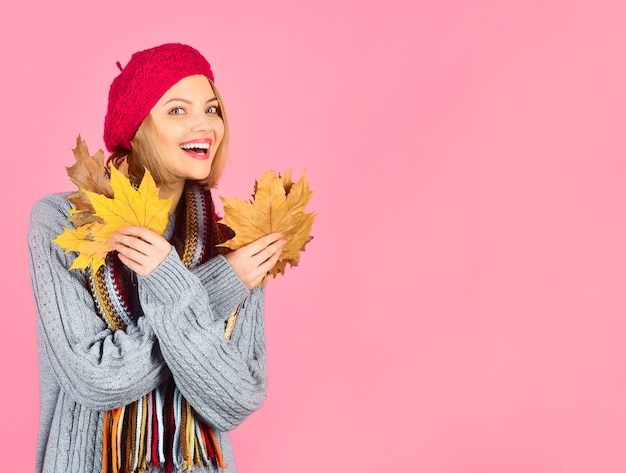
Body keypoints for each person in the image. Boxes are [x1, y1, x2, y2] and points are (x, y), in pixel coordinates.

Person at [28, 43, 285, 473]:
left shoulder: (234, 243)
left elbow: (235, 398)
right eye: (178, 110)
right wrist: (219, 286)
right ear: (139, 128)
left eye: (212, 109)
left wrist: (185, 281)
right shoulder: (60, 221)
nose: (204, 125)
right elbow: (97, 379)